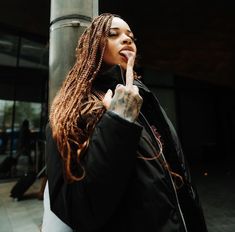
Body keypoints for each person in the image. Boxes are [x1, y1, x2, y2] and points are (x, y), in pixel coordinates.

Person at [44, 13, 208, 232]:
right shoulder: (74, 110)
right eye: (113, 34)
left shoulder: (145, 99)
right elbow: (79, 209)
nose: (127, 39)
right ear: (93, 45)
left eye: (131, 36)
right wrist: (118, 119)